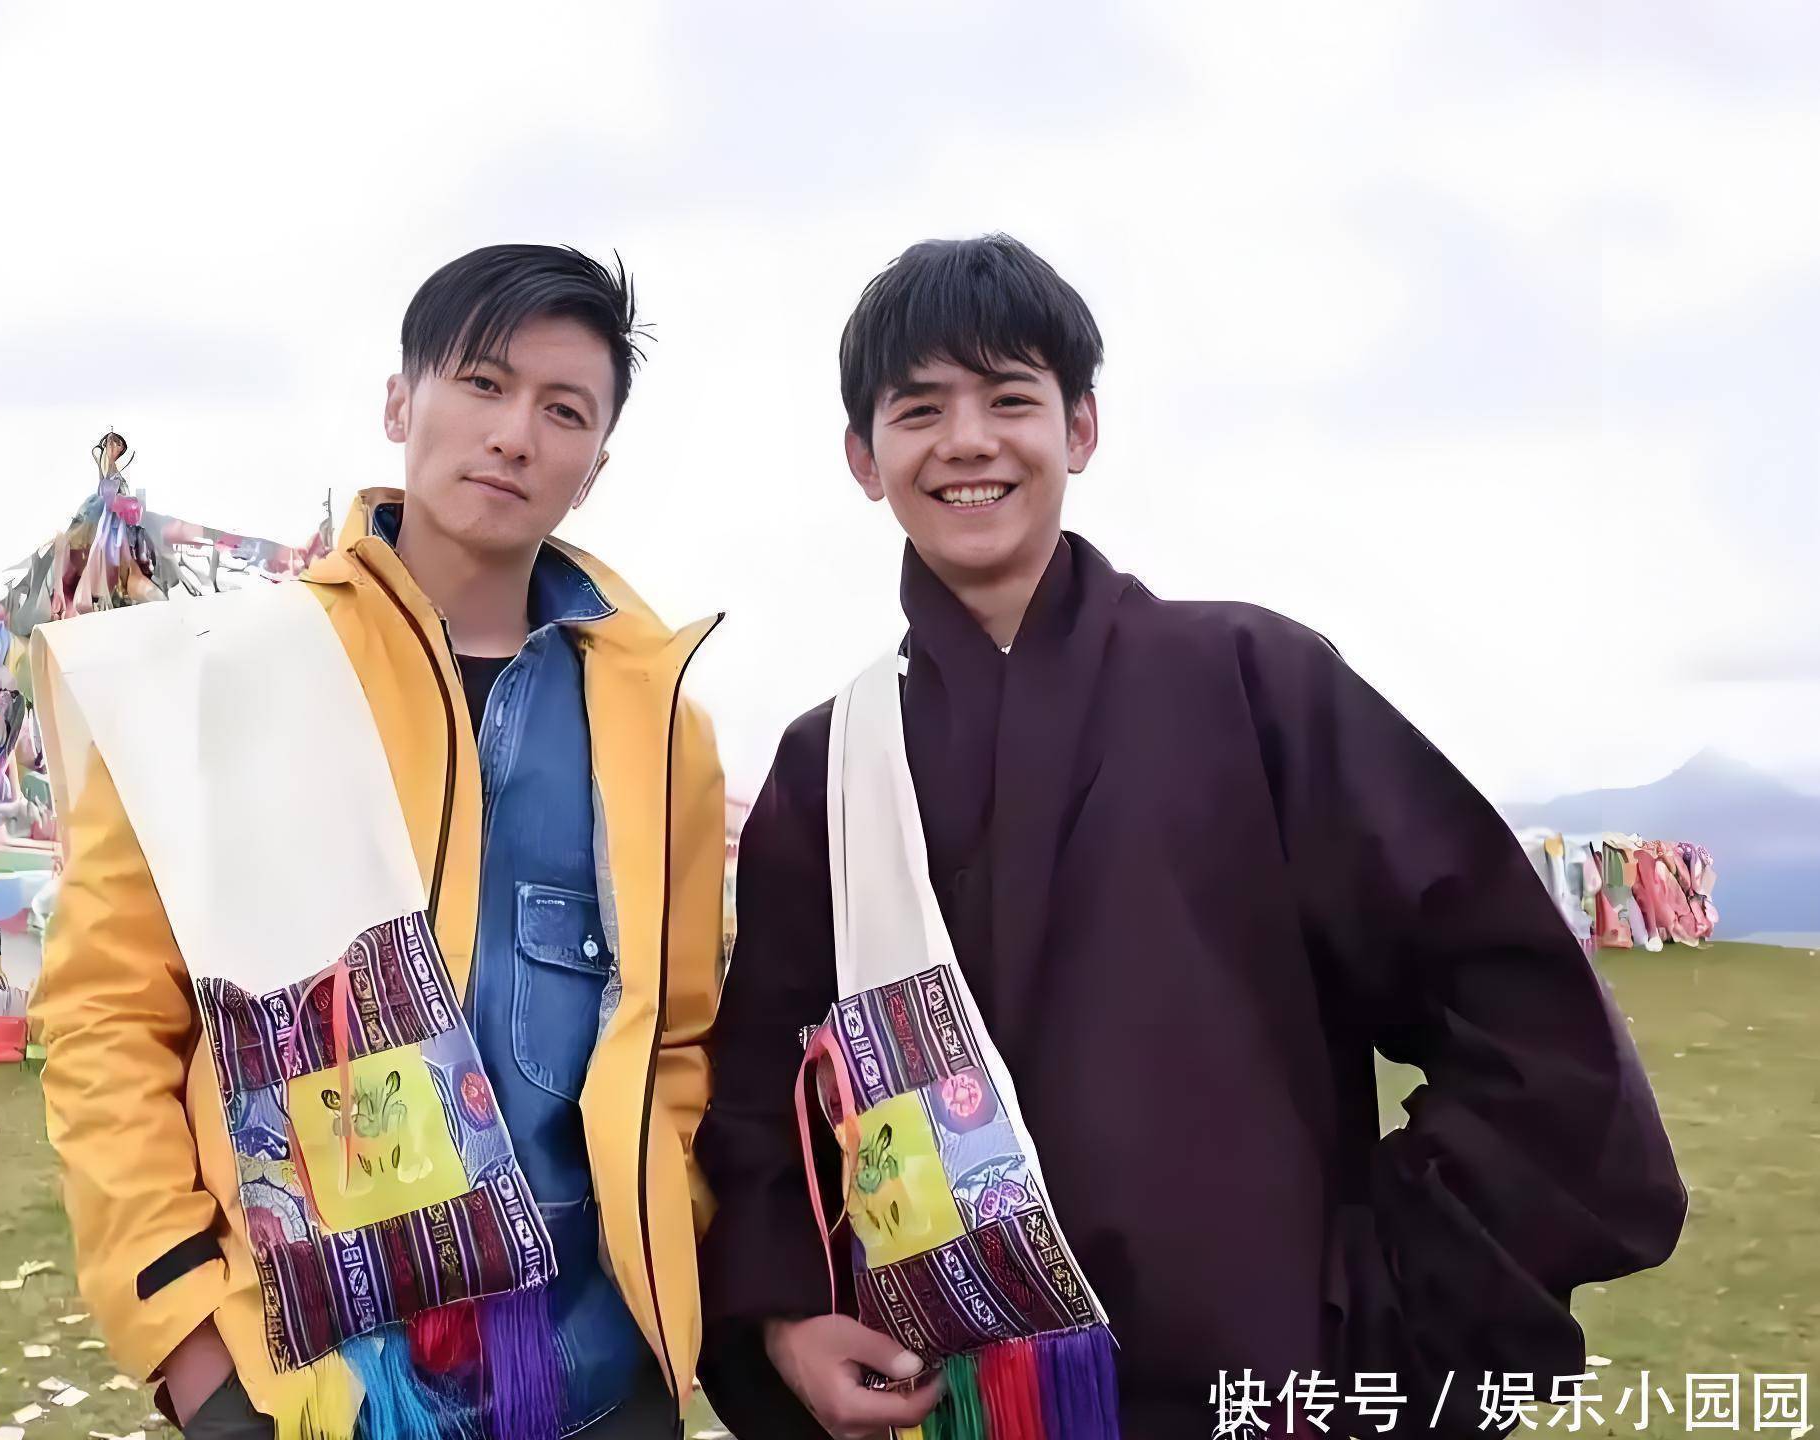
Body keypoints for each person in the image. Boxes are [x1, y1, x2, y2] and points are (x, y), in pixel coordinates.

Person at [694, 234, 1686, 1439]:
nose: (966, 441)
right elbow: (767, 1092)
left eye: (1010, 399)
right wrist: (787, 1316)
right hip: (961, 1406)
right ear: (864, 458)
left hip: (1269, 1391)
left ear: (1080, 429)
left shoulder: (1250, 681)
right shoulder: (835, 763)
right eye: (919, 410)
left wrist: (1388, 1299)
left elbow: (1526, 1019)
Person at [33, 244, 727, 1439]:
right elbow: (105, 1020)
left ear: (595, 464)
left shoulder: (657, 723)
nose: (513, 435)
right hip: (314, 1382)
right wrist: (190, 1352)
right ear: (400, 401)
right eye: (482, 384)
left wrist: (670, 1258)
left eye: (563, 411)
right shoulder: (224, 679)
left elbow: (679, 1037)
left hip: (598, 1375)